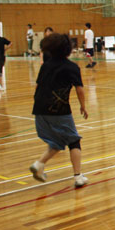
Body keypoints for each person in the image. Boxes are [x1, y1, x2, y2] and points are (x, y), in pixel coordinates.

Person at [29, 33, 88, 188]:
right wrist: (83, 106)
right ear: (68, 49)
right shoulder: (72, 67)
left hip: (39, 108)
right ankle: (78, 176)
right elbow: (79, 90)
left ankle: (39, 164)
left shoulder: (45, 66)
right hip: (58, 109)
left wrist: (38, 105)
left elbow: (38, 87)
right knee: (74, 141)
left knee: (56, 142)